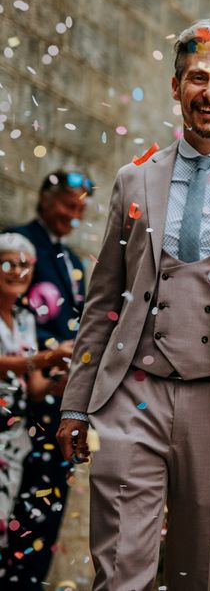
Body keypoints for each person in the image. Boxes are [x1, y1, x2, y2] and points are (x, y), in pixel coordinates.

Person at [55, 18, 210, 591]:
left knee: (198, 572)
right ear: (177, 87)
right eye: (198, 78)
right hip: (130, 394)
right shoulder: (134, 180)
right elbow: (103, 301)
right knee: (120, 570)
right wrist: (77, 404)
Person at [3, 171, 91, 587]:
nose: (72, 215)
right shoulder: (18, 247)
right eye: (66, 205)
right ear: (44, 198)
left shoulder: (72, 261)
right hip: (20, 401)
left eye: (80, 208)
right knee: (16, 507)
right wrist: (50, 360)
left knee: (50, 506)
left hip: (60, 402)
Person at [0, 234, 71, 555]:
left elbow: (35, 388)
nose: (17, 271)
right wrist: (46, 358)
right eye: (7, 264)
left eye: (24, 265)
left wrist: (63, 380)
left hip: (12, 443)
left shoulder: (27, 319)